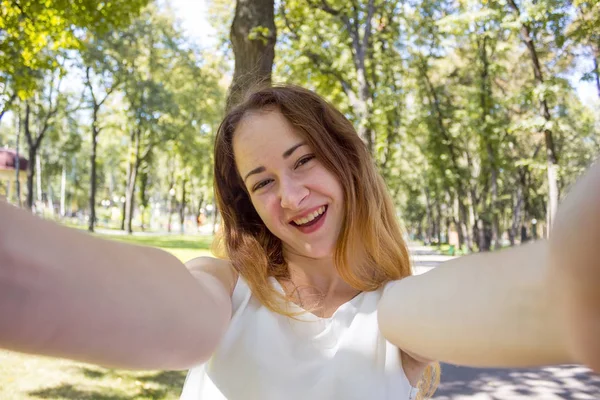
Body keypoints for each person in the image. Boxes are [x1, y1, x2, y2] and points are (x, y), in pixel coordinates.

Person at [0, 85, 598, 400]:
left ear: (345, 163)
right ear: (248, 204)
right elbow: (161, 312)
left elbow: (529, 299)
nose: (289, 196)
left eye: (304, 160)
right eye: (262, 182)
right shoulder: (224, 288)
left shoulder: (397, 314)